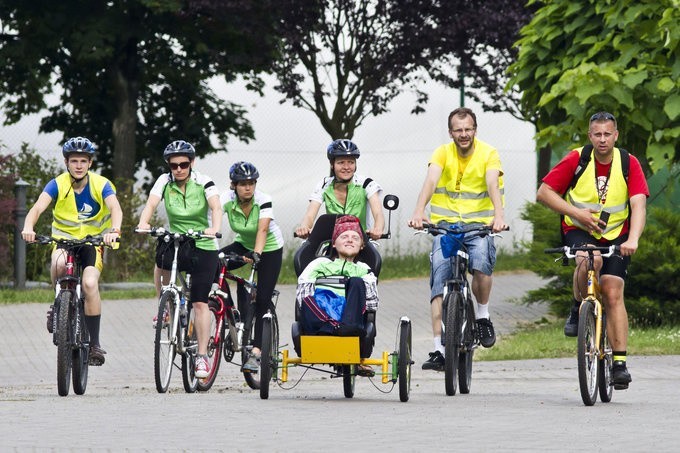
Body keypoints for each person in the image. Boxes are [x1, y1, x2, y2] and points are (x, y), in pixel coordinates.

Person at [536, 111, 648, 389]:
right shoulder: (577, 159)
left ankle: (619, 363)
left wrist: (632, 239)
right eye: (597, 134)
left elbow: (638, 205)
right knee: (589, 260)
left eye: (607, 134)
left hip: (616, 235)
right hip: (579, 229)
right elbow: (544, 193)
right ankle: (577, 307)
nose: (602, 139)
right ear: (589, 136)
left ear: (616, 135)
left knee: (612, 289)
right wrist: (577, 213)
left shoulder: (628, 163)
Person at [408, 107, 507, 371]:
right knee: (439, 281)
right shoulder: (442, 153)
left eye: (468, 129)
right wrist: (419, 211)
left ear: (475, 129)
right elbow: (430, 181)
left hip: (479, 226)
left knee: (482, 264)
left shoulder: (489, 153)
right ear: (451, 132)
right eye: (458, 130)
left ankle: (483, 315)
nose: (463, 134)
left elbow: (491, 184)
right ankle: (439, 349)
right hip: (446, 227)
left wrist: (499, 216)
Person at [21, 136, 123, 366]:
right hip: (64, 240)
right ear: (66, 163)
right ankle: (57, 304)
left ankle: (94, 343)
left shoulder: (101, 184)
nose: (78, 165)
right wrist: (28, 227)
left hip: (92, 242)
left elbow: (115, 208)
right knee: (58, 264)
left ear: (90, 163)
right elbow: (37, 207)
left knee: (88, 284)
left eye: (83, 161)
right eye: (74, 161)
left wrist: (114, 230)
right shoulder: (57, 184)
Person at [136, 140, 222, 379]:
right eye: (174, 165)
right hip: (178, 240)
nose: (179, 169)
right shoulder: (164, 181)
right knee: (160, 261)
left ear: (192, 163)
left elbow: (216, 207)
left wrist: (214, 228)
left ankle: (202, 357)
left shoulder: (204, 182)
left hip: (203, 243)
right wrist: (144, 222)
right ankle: (165, 306)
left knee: (199, 302)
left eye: (184, 164)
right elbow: (151, 204)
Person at [221, 161, 284, 373]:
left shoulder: (263, 200)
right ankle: (228, 311)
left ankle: (256, 352)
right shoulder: (227, 200)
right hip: (243, 244)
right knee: (213, 263)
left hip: (269, 248)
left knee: (262, 299)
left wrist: (256, 254)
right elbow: (212, 216)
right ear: (234, 185)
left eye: (251, 183)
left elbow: (263, 230)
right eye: (242, 183)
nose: (248, 187)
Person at [296, 215, 379, 372]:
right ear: (334, 243)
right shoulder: (319, 264)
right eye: (344, 236)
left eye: (355, 237)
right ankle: (336, 328)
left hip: (350, 321)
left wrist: (345, 307)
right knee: (306, 300)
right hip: (320, 320)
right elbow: (302, 295)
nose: (350, 240)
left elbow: (372, 303)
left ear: (361, 245)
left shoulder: (364, 270)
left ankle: (344, 327)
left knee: (356, 282)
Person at [295, 139, 385, 240]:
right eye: (341, 162)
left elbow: (378, 213)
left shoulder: (366, 183)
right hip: (333, 241)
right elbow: (310, 215)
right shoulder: (323, 185)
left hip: (362, 240)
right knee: (304, 254)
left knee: (374, 256)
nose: (346, 167)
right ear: (332, 164)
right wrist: (304, 227)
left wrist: (377, 229)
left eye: (351, 162)